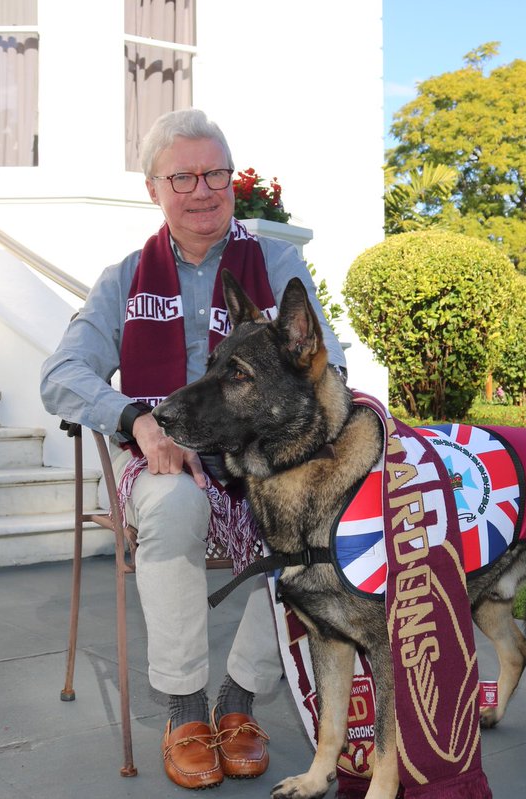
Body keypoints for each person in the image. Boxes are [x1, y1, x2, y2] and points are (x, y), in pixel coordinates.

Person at [40, 108, 346, 790]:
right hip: (156, 455)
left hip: (256, 459)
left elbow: (328, 366)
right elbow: (61, 374)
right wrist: (138, 421)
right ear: (154, 189)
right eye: (183, 177)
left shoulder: (275, 264)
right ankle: (184, 709)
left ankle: (239, 698)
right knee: (175, 503)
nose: (203, 190)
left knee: (308, 520)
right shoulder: (126, 277)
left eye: (215, 174)